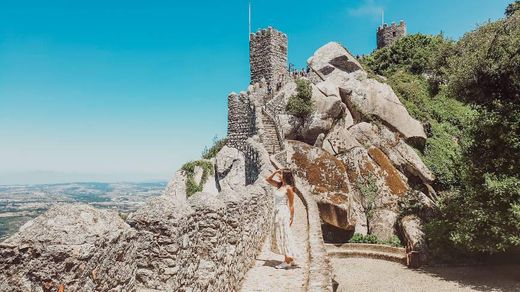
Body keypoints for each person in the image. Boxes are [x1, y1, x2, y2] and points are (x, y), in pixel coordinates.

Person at [266, 169, 299, 269]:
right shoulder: (280, 185)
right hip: (277, 212)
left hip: (283, 212)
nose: (279, 175)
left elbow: (292, 204)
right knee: (281, 234)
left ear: (285, 176)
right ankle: (290, 258)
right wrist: (275, 172)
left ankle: (287, 261)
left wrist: (291, 217)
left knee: (284, 234)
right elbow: (268, 179)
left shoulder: (289, 188)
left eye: (281, 174)